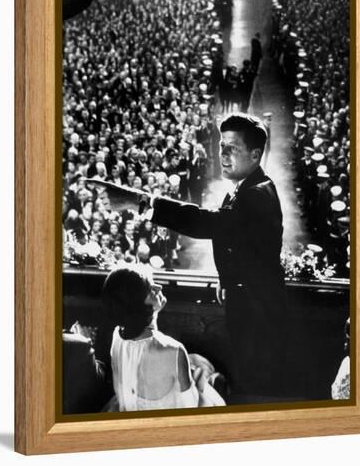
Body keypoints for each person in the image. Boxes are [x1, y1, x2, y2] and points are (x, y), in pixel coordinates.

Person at [92, 114, 287, 400]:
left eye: (232, 148)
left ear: (256, 155)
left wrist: (138, 201)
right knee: (246, 368)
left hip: (258, 311)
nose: (223, 155)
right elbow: (234, 239)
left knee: (254, 378)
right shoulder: (242, 189)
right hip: (247, 300)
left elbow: (205, 224)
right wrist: (227, 279)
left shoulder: (256, 194)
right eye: (221, 147)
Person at [102, 266, 225, 411]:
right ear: (139, 306)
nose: (158, 287)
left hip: (130, 408)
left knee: (195, 361)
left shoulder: (117, 336)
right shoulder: (174, 349)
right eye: (149, 289)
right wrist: (200, 380)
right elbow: (189, 406)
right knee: (207, 373)